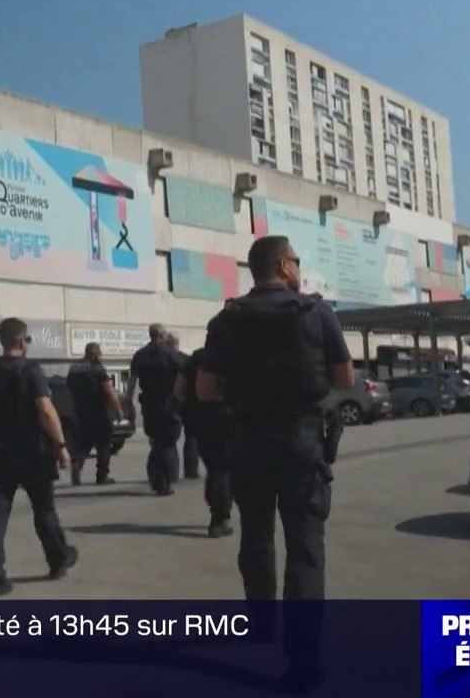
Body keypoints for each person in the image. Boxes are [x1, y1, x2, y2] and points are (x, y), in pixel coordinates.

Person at [195, 235, 353, 691]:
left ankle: (261, 624)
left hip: (248, 443)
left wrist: (247, 394)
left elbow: (205, 389)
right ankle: (302, 663)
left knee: (256, 534)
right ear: (284, 265)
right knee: (305, 547)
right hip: (302, 442)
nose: (299, 269)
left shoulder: (227, 317)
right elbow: (344, 378)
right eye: (297, 261)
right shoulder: (316, 312)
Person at [0, 318, 78, 598]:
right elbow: (46, 410)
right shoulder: (30, 370)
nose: (28, 345)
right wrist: (61, 445)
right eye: (27, 340)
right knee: (44, 509)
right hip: (33, 453)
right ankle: (58, 558)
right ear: (20, 341)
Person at [174, 341, 233, 538]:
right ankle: (219, 518)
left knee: (214, 468)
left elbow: (178, 389)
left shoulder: (197, 357)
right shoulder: (237, 351)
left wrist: (191, 409)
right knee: (223, 469)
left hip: (201, 419)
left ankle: (217, 512)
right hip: (228, 417)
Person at [126, 323, 183, 496]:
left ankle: (155, 478)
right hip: (168, 404)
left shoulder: (140, 355)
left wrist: (129, 402)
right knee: (167, 443)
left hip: (149, 405)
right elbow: (183, 378)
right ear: (161, 336)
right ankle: (163, 483)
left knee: (156, 442)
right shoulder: (171, 355)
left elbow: (131, 382)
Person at [65, 342, 123, 486]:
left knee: (83, 443)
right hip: (99, 412)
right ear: (95, 354)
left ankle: (77, 463)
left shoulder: (74, 369)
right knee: (103, 444)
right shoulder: (98, 370)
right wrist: (118, 412)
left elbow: (69, 389)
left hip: (80, 412)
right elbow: (109, 392)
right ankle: (102, 476)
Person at [167, 333, 200, 481]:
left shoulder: (157, 356)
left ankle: (170, 472)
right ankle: (191, 470)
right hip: (186, 402)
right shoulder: (187, 360)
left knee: (167, 440)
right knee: (191, 436)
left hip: (164, 401)